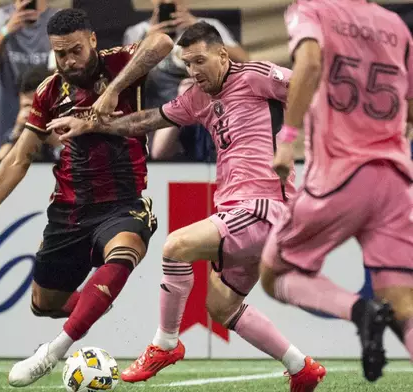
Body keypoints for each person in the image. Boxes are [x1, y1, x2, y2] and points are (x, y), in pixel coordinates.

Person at [51, 22, 325, 391]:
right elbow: (145, 120)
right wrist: (89, 125)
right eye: (187, 64)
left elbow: (311, 87)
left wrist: (293, 140)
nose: (194, 71)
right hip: (237, 211)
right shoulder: (197, 97)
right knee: (222, 307)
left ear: (223, 55)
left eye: (200, 61)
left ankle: (165, 343)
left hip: (264, 205)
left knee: (175, 246)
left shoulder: (256, 75)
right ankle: (301, 367)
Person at [0, 9, 174, 387]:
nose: (68, 61)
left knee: (125, 249)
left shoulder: (119, 63)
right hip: (69, 211)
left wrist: (113, 91)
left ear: (92, 40)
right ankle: (95, 299)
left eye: (75, 51)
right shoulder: (49, 91)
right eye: (60, 54)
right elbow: (19, 156)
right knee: (43, 304)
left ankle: (54, 351)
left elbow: (162, 42)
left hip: (122, 202)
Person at [259, 0, 413, 383]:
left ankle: (360, 312)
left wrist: (286, 140)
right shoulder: (395, 24)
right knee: (404, 305)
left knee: (273, 273)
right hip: (395, 177)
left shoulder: (310, 10)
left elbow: (309, 64)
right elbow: (409, 102)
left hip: (339, 174)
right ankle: (373, 311)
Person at [124, 0, 247, 160]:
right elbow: (125, 83)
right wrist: (146, 43)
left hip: (208, 121)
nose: (168, 1)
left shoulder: (209, 26)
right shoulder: (137, 32)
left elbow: (244, 63)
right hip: (160, 123)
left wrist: (202, 31)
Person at [0, 0, 58, 156]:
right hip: (10, 122)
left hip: (51, 122)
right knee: (3, 172)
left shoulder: (58, 20)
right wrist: (6, 31)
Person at [0, 67, 62, 161]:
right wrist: (14, 137)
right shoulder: (19, 130)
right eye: (26, 106)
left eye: (36, 106)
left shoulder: (72, 128)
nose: (32, 113)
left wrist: (56, 141)